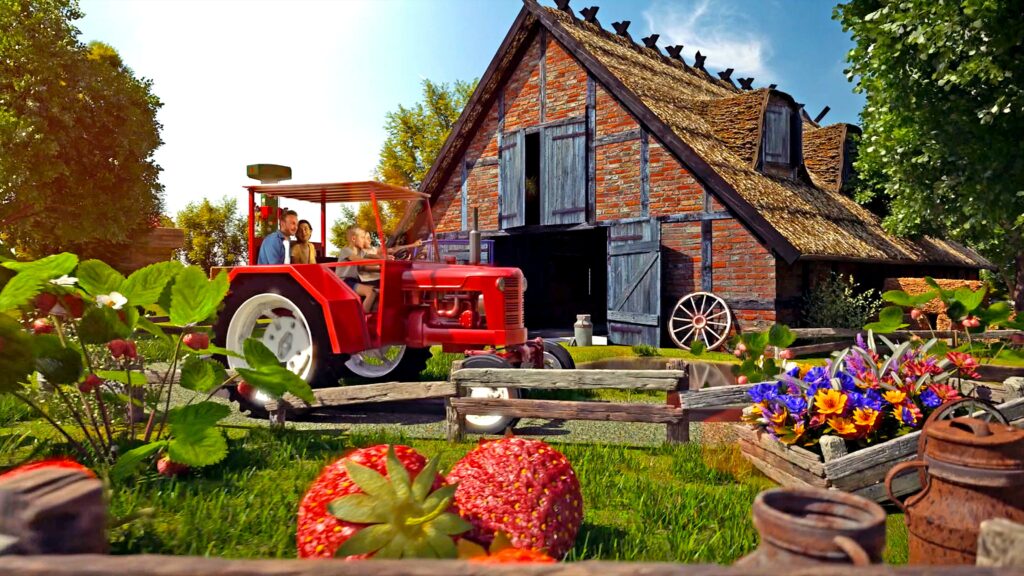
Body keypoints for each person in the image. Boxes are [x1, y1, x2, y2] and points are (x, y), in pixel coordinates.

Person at [336, 226, 378, 313]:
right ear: (354, 238)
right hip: (343, 282)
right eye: (362, 237)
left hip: (354, 281)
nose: (364, 240)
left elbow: (373, 256)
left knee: (377, 290)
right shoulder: (346, 251)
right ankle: (362, 319)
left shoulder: (361, 252)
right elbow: (361, 260)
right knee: (371, 292)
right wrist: (380, 262)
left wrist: (386, 258)